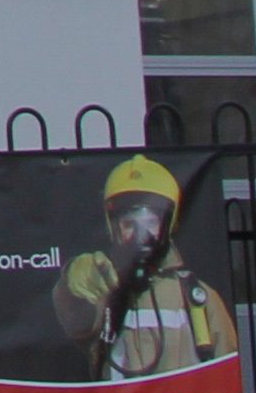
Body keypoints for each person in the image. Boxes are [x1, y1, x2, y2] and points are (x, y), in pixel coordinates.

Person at [54, 153, 235, 381]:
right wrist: (73, 283)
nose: (142, 235)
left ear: (169, 224)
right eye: (129, 223)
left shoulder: (200, 298)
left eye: (151, 222)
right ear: (113, 226)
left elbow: (226, 379)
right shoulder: (102, 287)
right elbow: (75, 320)